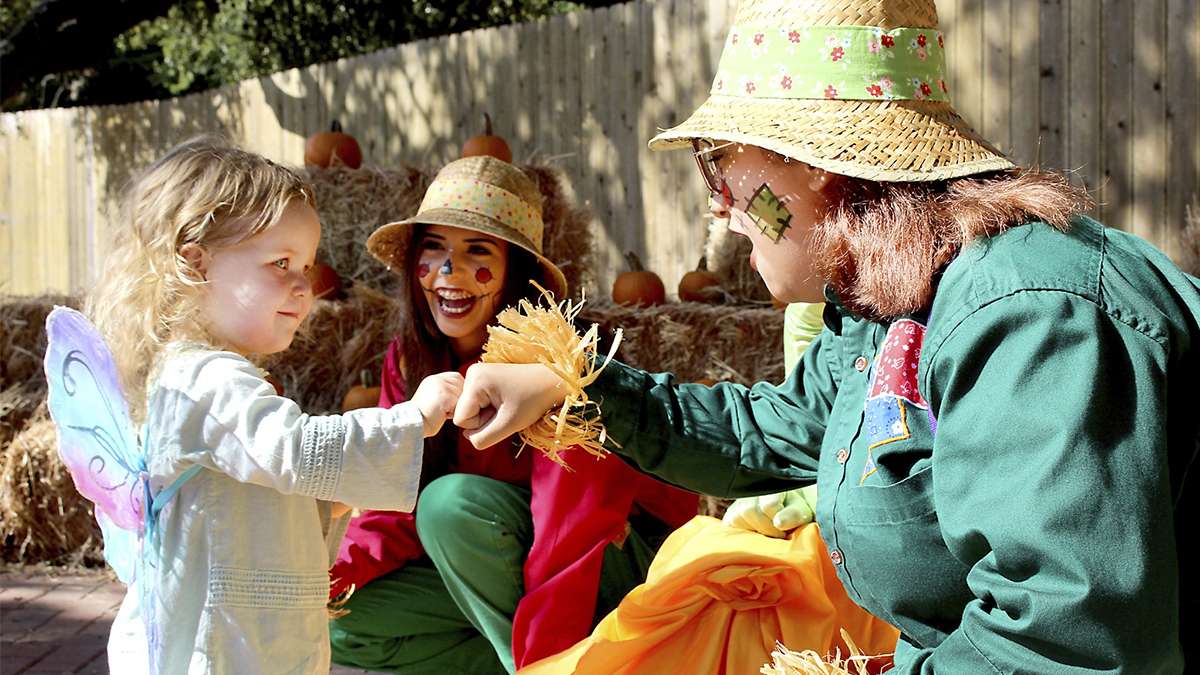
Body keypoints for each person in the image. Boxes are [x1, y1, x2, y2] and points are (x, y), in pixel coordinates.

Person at [453, 0, 1198, 672]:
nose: (719, 208)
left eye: (722, 168)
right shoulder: (897, 300)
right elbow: (771, 430)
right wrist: (575, 385)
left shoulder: (1030, 318)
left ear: (817, 172)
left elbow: (1060, 641)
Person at [84, 136, 461, 674]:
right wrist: (411, 418)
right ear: (197, 266)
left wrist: (319, 503)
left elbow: (242, 487)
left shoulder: (199, 375)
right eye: (280, 262)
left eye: (306, 266)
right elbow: (292, 449)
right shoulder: (202, 379)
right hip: (218, 650)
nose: (303, 286)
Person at [327, 155, 697, 674]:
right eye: (433, 249)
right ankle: (544, 660)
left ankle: (556, 664)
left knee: (448, 506)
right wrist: (333, 577)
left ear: (514, 275)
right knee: (342, 624)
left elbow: (572, 530)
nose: (449, 274)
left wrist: (546, 658)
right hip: (496, 555)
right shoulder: (409, 360)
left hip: (611, 559)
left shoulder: (556, 362)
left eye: (477, 251)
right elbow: (395, 492)